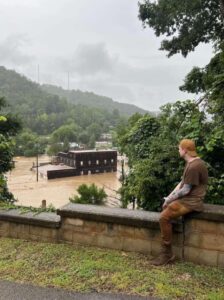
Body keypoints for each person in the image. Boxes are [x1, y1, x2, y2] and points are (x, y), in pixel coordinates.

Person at [151, 139, 208, 266]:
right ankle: (168, 247)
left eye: (179, 148)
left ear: (185, 150)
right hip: (187, 198)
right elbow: (181, 184)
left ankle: (167, 254)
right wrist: (169, 198)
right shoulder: (191, 162)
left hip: (192, 201)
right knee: (167, 210)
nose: (178, 150)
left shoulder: (194, 166)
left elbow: (186, 190)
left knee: (164, 217)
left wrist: (170, 200)